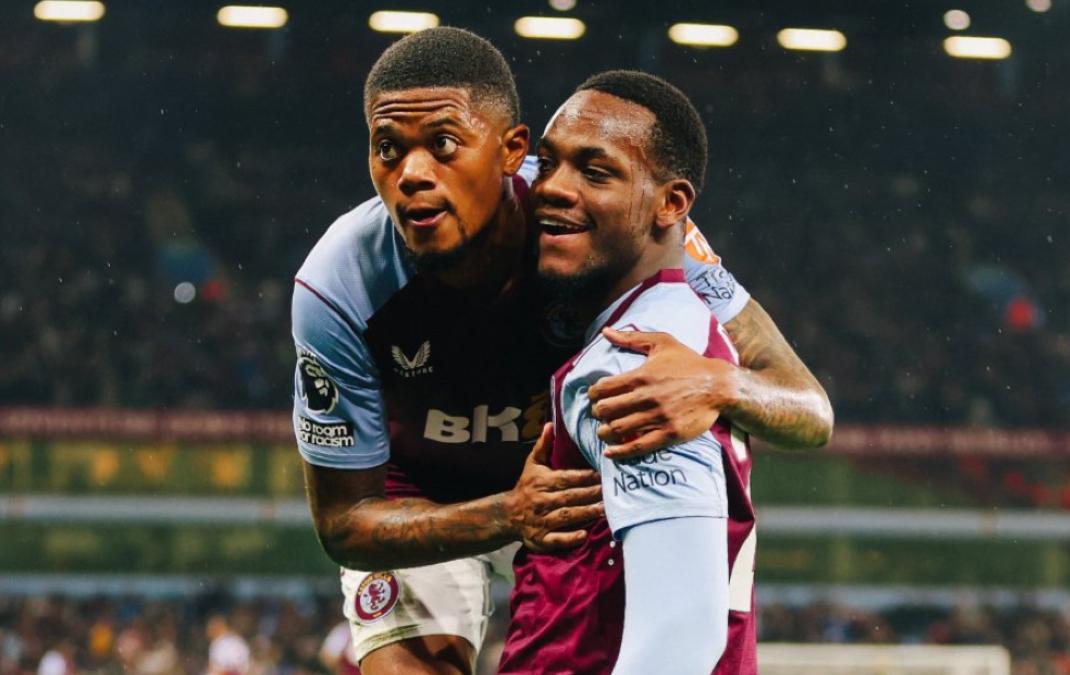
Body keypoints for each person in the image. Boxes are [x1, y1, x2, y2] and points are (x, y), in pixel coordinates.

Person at [292, 27, 832, 675]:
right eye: (387, 149)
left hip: (575, 503)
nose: (411, 175)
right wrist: (508, 512)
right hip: (429, 509)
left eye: (442, 146)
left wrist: (722, 384)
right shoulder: (338, 283)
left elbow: (808, 409)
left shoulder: (606, 219)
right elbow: (344, 522)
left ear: (510, 151)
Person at [498, 70, 755, 674]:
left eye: (596, 171)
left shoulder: (636, 363)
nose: (553, 188)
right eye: (549, 162)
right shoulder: (679, 332)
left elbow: (679, 638)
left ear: (672, 205)